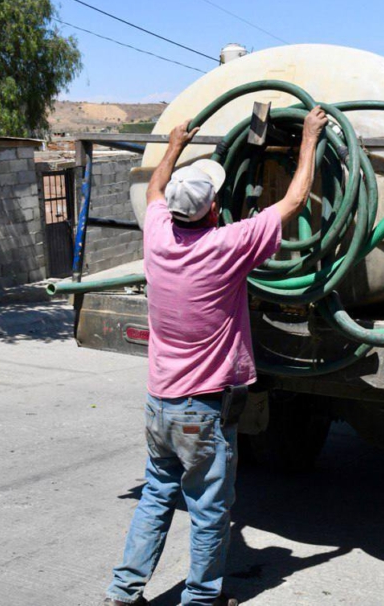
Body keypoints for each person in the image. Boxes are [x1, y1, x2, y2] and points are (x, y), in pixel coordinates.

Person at [104, 107, 329, 606]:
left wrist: (173, 146)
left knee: (156, 495)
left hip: (159, 403)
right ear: (213, 209)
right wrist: (310, 137)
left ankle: (123, 591)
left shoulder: (156, 234)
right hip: (202, 408)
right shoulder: (227, 245)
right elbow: (294, 201)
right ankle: (202, 600)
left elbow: (154, 190)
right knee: (209, 509)